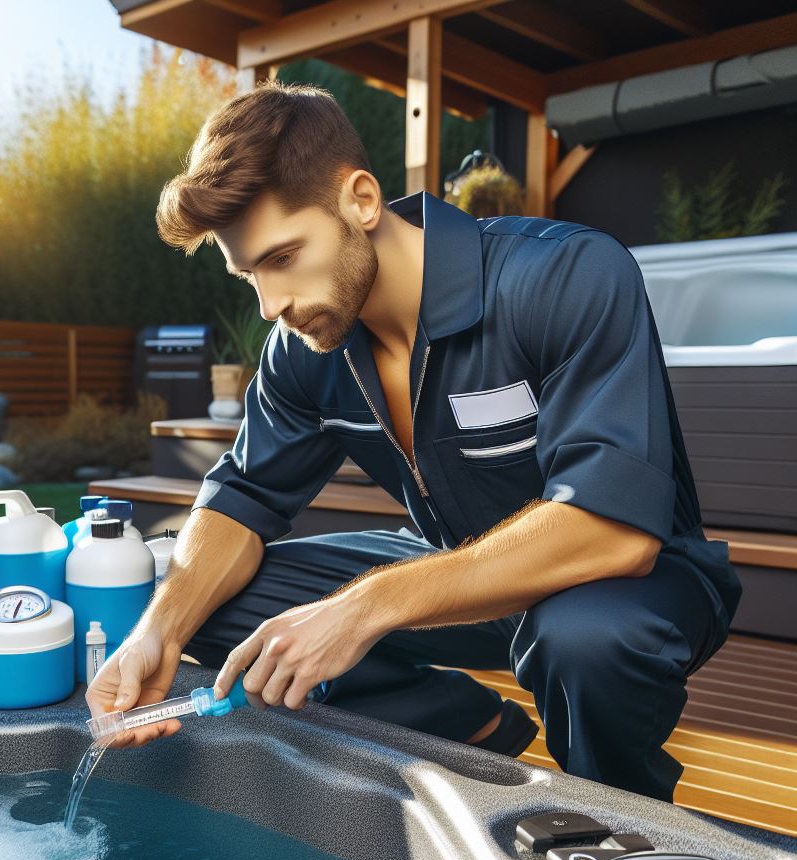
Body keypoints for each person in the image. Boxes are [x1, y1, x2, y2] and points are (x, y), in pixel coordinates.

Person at [86, 81, 742, 802]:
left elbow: (614, 533)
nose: (271, 306)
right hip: (455, 570)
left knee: (582, 640)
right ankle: (466, 730)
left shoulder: (562, 277)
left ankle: (632, 809)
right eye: (249, 276)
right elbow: (241, 497)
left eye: (282, 258)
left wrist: (361, 610)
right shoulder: (304, 346)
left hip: (628, 583)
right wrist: (159, 629)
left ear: (361, 200)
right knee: (216, 606)